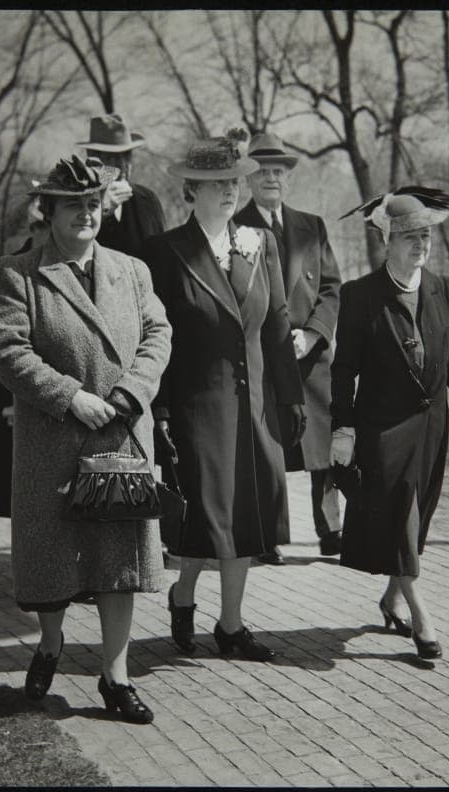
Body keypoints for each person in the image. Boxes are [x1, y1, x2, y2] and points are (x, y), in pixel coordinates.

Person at [0, 155, 172, 722]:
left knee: (119, 561)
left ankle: (114, 678)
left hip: (119, 433)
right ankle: (49, 642)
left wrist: (128, 395)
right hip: (54, 441)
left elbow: (158, 334)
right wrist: (72, 397)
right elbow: (9, 353)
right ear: (50, 211)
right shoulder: (17, 273)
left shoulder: (132, 271)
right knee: (53, 563)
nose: (87, 215)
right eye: (74, 206)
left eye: (94, 205)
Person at [139, 130, 306, 661]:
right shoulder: (165, 252)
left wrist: (291, 399)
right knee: (209, 514)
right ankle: (184, 590)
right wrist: (160, 408)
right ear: (192, 190)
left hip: (254, 404)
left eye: (234, 181)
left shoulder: (261, 245)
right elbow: (154, 337)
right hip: (197, 407)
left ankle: (230, 626)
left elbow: (277, 326)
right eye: (217, 184)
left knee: (249, 516)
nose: (231, 191)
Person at [330, 187, 449, 660]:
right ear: (387, 242)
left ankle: (391, 598)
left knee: (416, 523)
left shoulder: (445, 290)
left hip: (431, 427)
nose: (421, 245)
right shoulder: (360, 296)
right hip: (382, 428)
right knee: (400, 515)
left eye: (426, 236)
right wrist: (343, 429)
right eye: (410, 237)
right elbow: (344, 371)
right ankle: (422, 617)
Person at [234, 132, 342, 564]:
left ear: (287, 178)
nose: (271, 178)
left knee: (322, 453)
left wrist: (314, 333)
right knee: (268, 449)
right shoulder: (236, 228)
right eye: (262, 171)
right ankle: (266, 536)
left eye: (278, 171)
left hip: (311, 356)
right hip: (264, 358)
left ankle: (331, 531)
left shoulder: (311, 225)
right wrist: (276, 342)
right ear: (249, 179)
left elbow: (332, 288)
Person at [0, 189, 48, 519]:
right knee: (20, 489)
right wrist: (14, 400)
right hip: (13, 391)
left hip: (57, 392)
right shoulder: (0, 271)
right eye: (42, 225)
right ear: (33, 227)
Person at [77, 113, 167, 259]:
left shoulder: (147, 199)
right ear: (91, 157)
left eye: (126, 155)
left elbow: (162, 256)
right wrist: (102, 209)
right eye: (110, 157)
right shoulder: (76, 200)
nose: (121, 164)